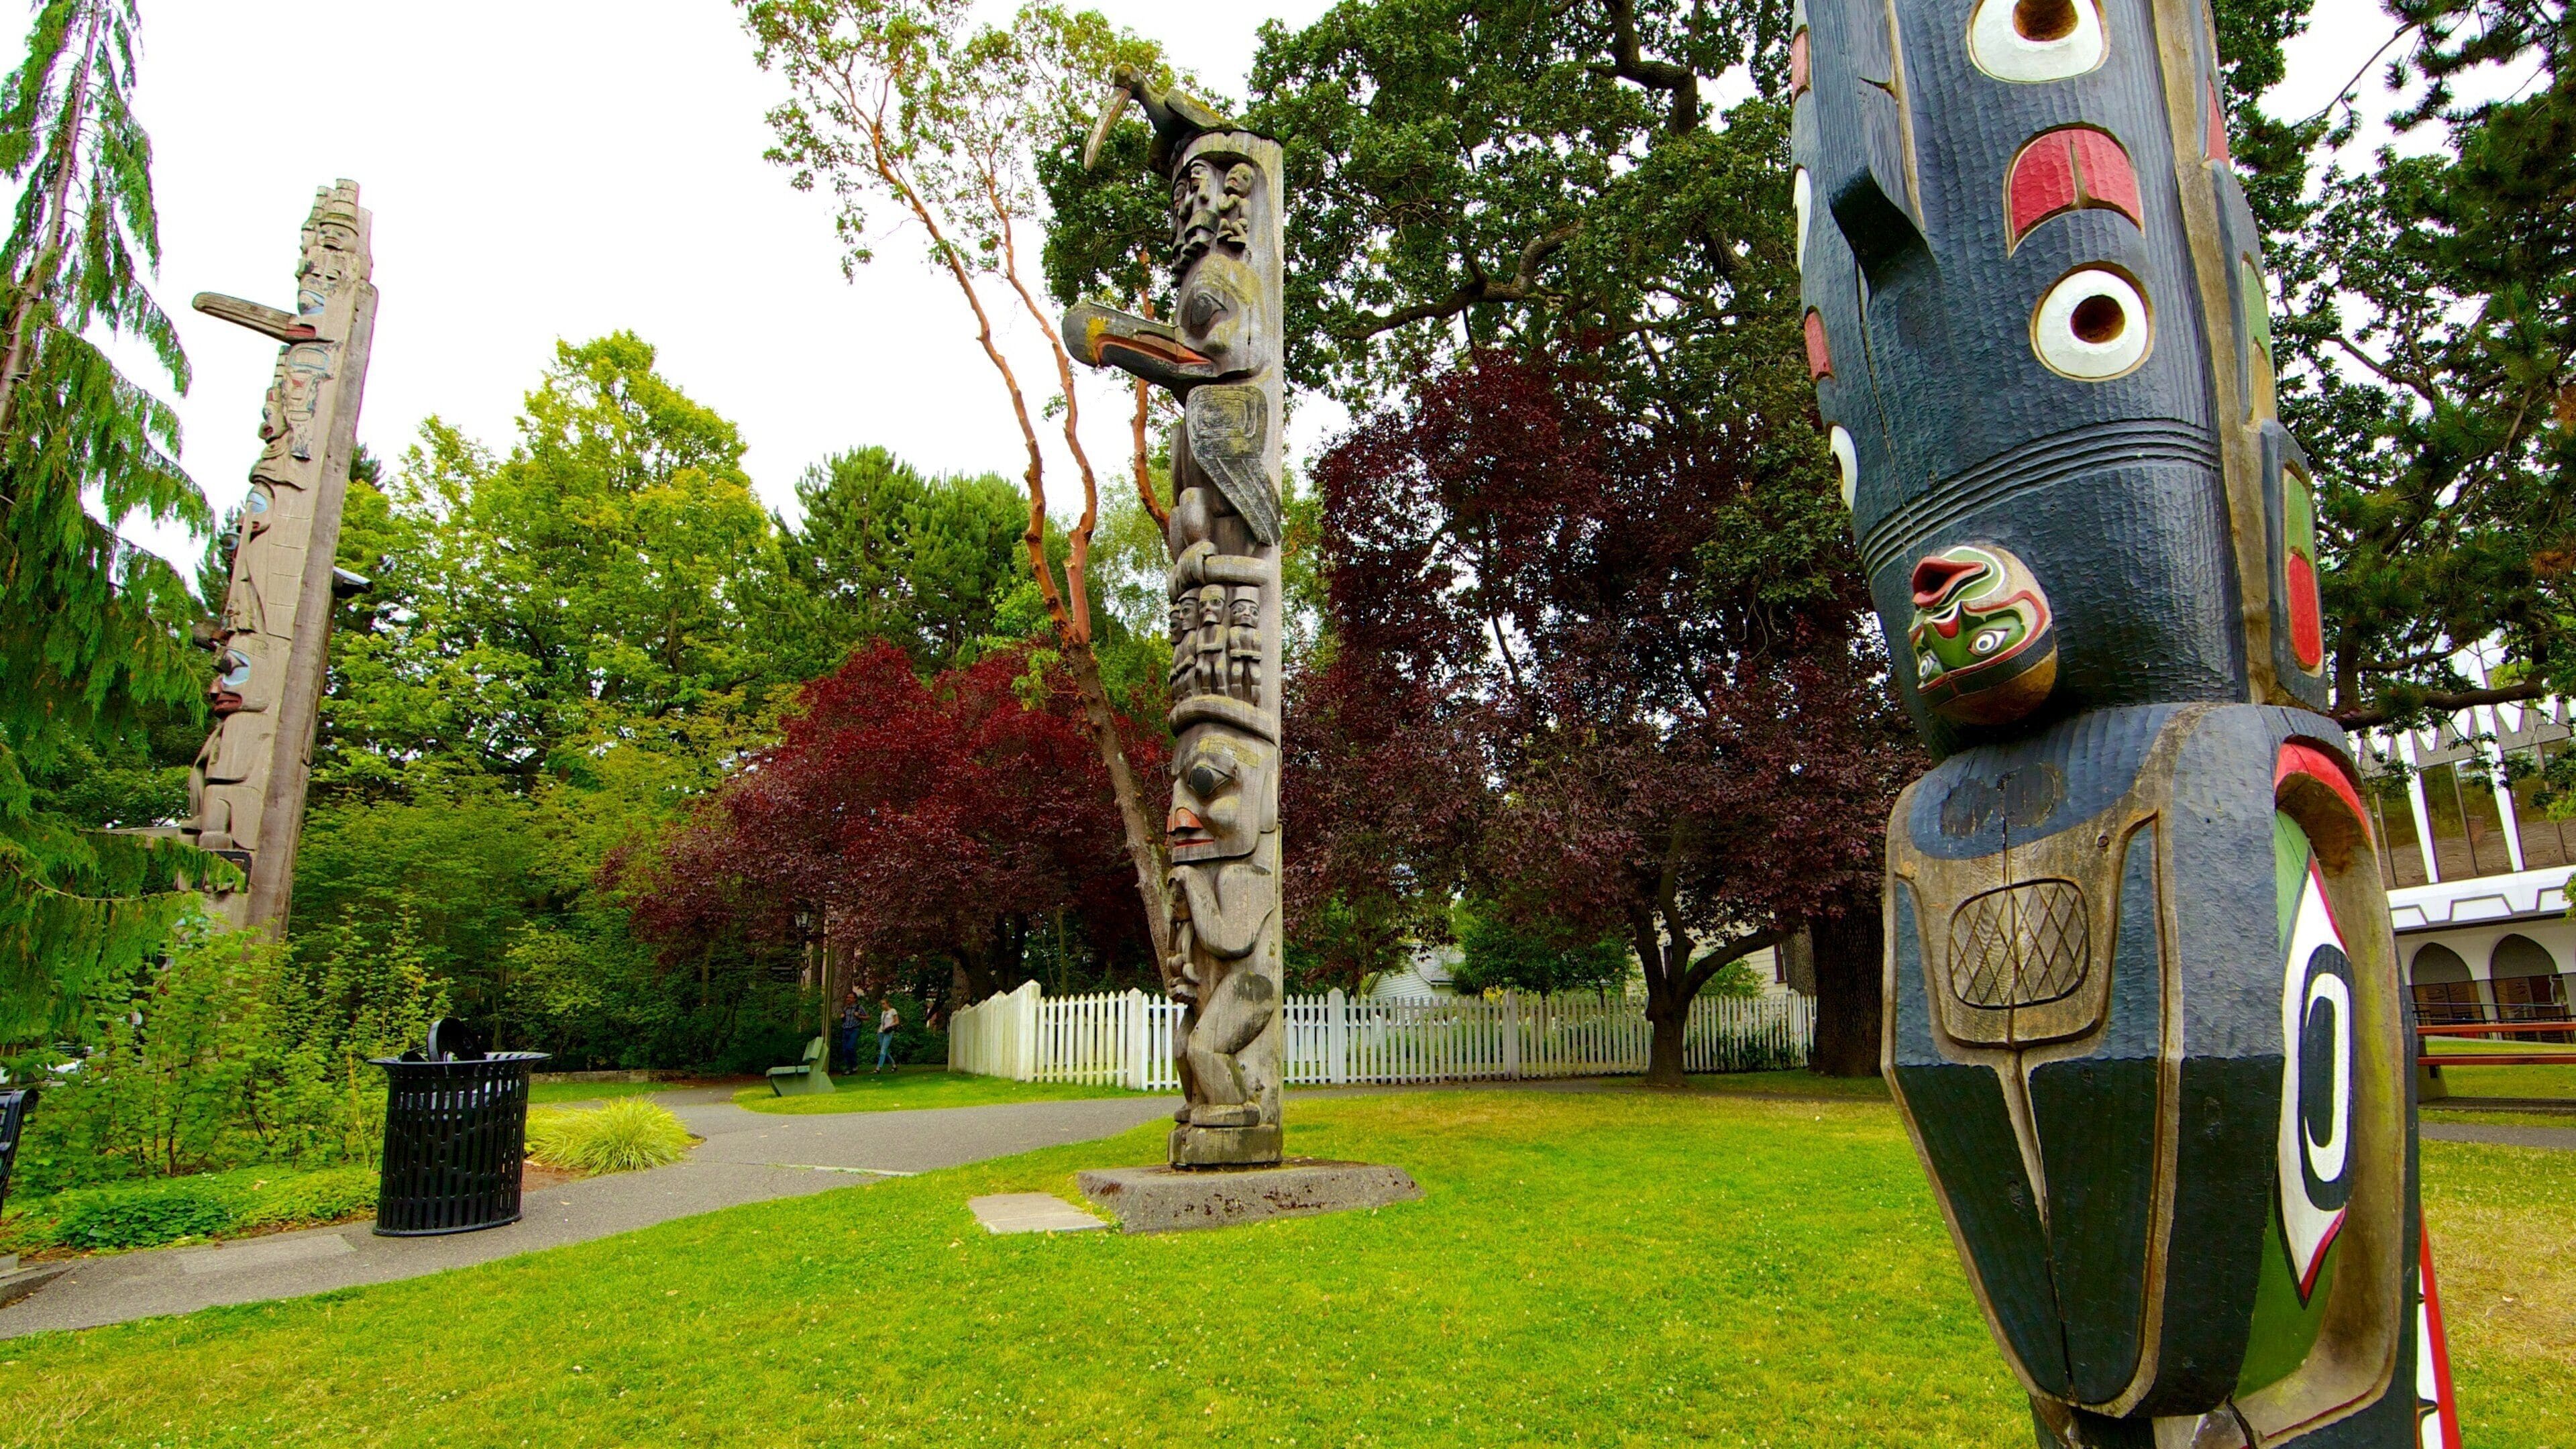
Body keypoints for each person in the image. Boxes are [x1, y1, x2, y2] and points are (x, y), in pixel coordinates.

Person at [835, 993, 862, 1076]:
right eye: (847, 997)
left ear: (855, 999)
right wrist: (842, 1017)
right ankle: (848, 1067)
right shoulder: (845, 1008)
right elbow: (844, 1020)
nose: (848, 999)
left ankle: (854, 1065)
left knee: (850, 1047)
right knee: (845, 1049)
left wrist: (859, 1016)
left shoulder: (858, 1008)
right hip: (845, 1030)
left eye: (850, 998)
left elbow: (868, 1017)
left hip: (854, 1029)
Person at [874, 998, 901, 1073]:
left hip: (888, 1032)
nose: (882, 1005)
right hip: (881, 1031)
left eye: (884, 1004)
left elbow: (897, 1021)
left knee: (883, 1051)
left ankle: (878, 1068)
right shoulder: (883, 1012)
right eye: (881, 1004)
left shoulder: (893, 1011)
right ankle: (893, 1065)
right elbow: (882, 1022)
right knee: (884, 1050)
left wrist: (890, 1026)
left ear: (888, 1004)